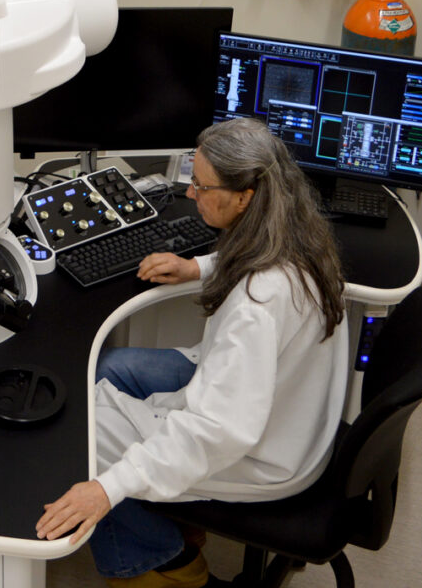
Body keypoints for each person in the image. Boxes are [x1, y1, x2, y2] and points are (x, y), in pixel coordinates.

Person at [36, 117, 349, 588]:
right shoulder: (298, 229)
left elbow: (215, 432)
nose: (189, 194)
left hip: (263, 455)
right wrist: (196, 266)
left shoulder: (256, 307)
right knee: (110, 369)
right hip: (289, 415)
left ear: (244, 196)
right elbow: (252, 256)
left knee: (73, 442)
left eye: (201, 186)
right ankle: (173, 516)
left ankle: (167, 563)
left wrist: (106, 489)